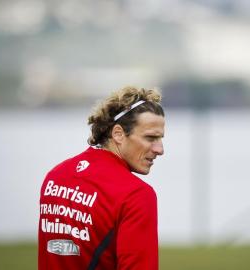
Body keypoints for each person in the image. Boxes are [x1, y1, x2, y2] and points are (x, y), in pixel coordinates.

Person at [38, 86, 165, 270]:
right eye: (150, 138)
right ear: (118, 134)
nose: (160, 149)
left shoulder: (55, 176)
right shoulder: (136, 195)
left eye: (160, 138)